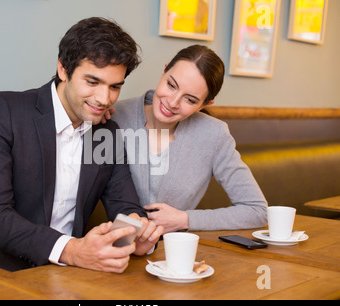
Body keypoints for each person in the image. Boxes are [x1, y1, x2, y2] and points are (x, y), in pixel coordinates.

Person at [0, 17, 163, 276]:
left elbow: (125, 206)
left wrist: (137, 234)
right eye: (92, 82)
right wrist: (72, 250)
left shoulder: (106, 133)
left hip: (65, 276)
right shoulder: (3, 111)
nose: (104, 99)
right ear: (63, 69)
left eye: (115, 87)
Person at [110, 45, 267, 233]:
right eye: (171, 85)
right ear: (164, 70)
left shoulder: (213, 134)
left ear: (204, 105)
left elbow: (257, 210)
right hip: (111, 250)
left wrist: (185, 219)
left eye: (190, 100)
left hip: (173, 254)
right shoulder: (113, 116)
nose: (173, 102)